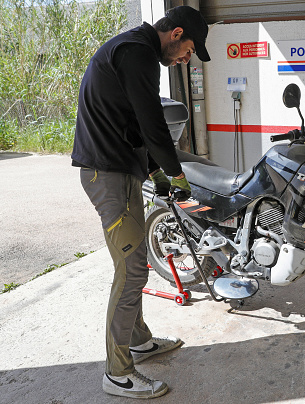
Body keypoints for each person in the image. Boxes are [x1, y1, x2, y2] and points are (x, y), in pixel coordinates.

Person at [71, 6, 210, 399]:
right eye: (188, 50)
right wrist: (177, 174)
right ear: (175, 33)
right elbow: (152, 123)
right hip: (107, 175)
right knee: (132, 270)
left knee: (134, 264)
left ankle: (139, 342)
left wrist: (155, 173)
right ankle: (117, 373)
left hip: (121, 171)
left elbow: (133, 125)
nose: (186, 59)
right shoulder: (138, 52)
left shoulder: (137, 51)